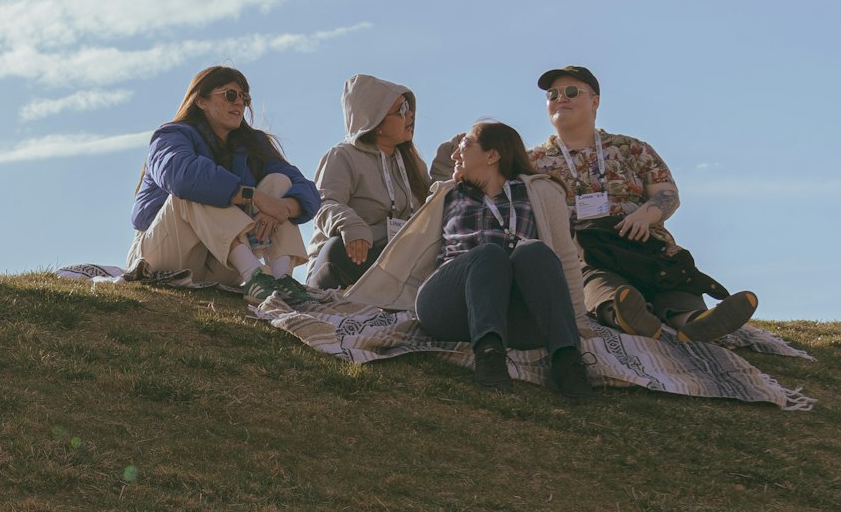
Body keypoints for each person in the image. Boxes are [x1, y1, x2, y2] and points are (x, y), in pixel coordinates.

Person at [346, 121, 595, 400]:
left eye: (464, 146)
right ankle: (489, 354)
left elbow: (566, 260)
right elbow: (410, 254)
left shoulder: (541, 192)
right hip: (450, 306)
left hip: (517, 312)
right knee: (488, 254)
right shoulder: (448, 194)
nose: (455, 155)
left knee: (534, 250)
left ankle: (567, 361)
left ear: (492, 155)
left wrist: (576, 322)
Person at [528, 65, 757, 343]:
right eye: (552, 94)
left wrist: (644, 216)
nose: (560, 98)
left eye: (571, 92)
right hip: (586, 250)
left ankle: (696, 321)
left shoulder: (631, 148)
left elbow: (668, 193)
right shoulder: (532, 163)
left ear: (595, 102)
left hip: (642, 242)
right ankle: (624, 314)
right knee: (599, 281)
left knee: (671, 277)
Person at [129, 65, 320, 308]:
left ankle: (281, 280)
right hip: (162, 255)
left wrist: (283, 207)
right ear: (201, 101)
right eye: (230, 95)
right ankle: (254, 273)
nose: (239, 103)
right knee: (196, 186)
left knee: (280, 182)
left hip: (220, 263)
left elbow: (305, 188)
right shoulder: (170, 136)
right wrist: (254, 197)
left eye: (245, 97)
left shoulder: (253, 145)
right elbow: (180, 176)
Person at [306, 74, 431, 291]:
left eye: (409, 107)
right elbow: (324, 203)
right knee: (337, 249)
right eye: (401, 110)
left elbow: (433, 209)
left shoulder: (413, 164)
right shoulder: (343, 156)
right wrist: (351, 225)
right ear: (375, 121)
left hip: (398, 261)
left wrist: (449, 166)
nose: (410, 115)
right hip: (354, 259)